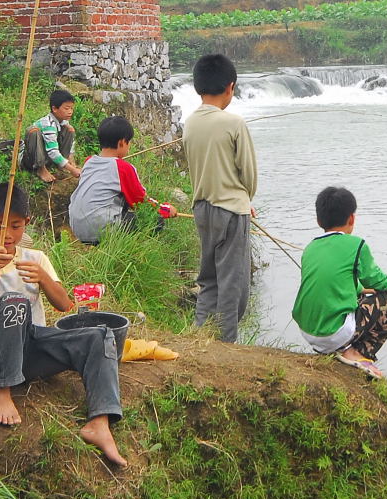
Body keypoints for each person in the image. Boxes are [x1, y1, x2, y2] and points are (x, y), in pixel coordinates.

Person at [0, 183, 127, 467]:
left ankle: (100, 421)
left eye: (16, 226)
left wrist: (44, 278)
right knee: (13, 302)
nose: (7, 235)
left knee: (101, 335)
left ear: (27, 224)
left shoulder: (36, 259)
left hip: (31, 349)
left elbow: (64, 306)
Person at [292, 186, 387, 379]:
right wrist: (381, 288)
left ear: (319, 220)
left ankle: (337, 348)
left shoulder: (310, 248)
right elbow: (381, 283)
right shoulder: (357, 245)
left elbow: (331, 283)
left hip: (308, 331)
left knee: (358, 295)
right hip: (334, 334)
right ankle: (359, 351)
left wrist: (360, 290)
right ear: (352, 219)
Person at [181, 54, 258, 343]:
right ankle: (226, 344)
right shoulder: (233, 123)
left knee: (209, 277)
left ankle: (200, 336)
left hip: (202, 208)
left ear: (197, 88)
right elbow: (248, 174)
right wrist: (245, 200)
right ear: (230, 87)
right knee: (234, 284)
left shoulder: (190, 123)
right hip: (232, 211)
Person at [68, 115, 178, 244]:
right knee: (155, 221)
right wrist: (164, 209)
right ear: (122, 142)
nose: (129, 145)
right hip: (98, 229)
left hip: (77, 226)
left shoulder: (89, 161)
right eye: (129, 142)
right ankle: (124, 250)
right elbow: (140, 201)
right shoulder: (122, 168)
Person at [20, 89, 81, 182]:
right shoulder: (48, 124)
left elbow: (71, 143)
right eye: (66, 108)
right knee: (33, 131)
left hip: (48, 156)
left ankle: (62, 162)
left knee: (69, 129)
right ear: (55, 109)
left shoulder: (64, 122)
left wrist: (71, 161)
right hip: (32, 159)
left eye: (71, 108)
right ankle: (41, 168)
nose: (70, 112)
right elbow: (53, 151)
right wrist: (72, 170)